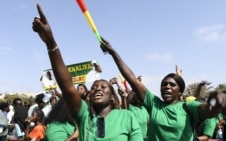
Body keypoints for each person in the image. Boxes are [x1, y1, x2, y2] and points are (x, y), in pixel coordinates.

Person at [32, 3, 143, 141]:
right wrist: (51, 44)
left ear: (113, 97)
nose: (97, 89)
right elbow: (67, 87)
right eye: (94, 87)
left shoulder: (127, 117)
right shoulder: (84, 115)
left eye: (103, 87)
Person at [99, 37, 226, 141]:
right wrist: (113, 52)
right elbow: (132, 79)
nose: (167, 87)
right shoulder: (154, 103)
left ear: (180, 91)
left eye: (172, 85)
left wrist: (216, 102)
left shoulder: (188, 107)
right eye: (164, 84)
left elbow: (209, 111)